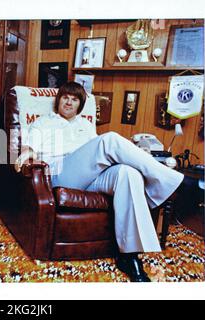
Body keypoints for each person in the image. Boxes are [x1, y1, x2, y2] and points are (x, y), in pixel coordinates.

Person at [15, 81, 193, 282]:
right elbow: (27, 148)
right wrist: (26, 157)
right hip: (61, 173)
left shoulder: (85, 125)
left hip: (90, 177)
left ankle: (129, 255)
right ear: (59, 100)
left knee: (127, 173)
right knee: (110, 140)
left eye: (74, 100)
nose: (69, 103)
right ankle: (171, 180)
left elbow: (97, 156)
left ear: (80, 105)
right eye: (65, 97)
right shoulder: (43, 122)